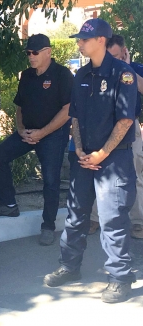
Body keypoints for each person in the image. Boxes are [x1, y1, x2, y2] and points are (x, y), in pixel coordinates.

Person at [44, 19, 137, 304]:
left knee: (112, 219)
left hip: (114, 159)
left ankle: (120, 278)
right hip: (84, 157)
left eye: (84, 39)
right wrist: (82, 150)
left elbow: (125, 120)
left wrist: (102, 153)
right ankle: (70, 267)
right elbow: (75, 117)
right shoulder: (81, 74)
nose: (79, 43)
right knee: (76, 215)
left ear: (100, 41)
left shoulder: (123, 74)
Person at [0, 34, 73, 246]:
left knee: (51, 180)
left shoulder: (62, 75)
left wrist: (42, 133)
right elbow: (19, 106)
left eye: (35, 53)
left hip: (53, 135)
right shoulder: (26, 75)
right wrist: (21, 129)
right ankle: (8, 205)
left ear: (48, 52)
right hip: (27, 132)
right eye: (28, 53)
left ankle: (48, 226)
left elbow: (68, 110)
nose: (31, 57)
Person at [88, 34, 143, 239]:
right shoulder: (98, 69)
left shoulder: (135, 69)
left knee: (136, 172)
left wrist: (127, 67)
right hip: (102, 125)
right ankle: (94, 218)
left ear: (125, 51)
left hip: (130, 125)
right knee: (97, 169)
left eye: (117, 56)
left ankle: (138, 221)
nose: (113, 60)